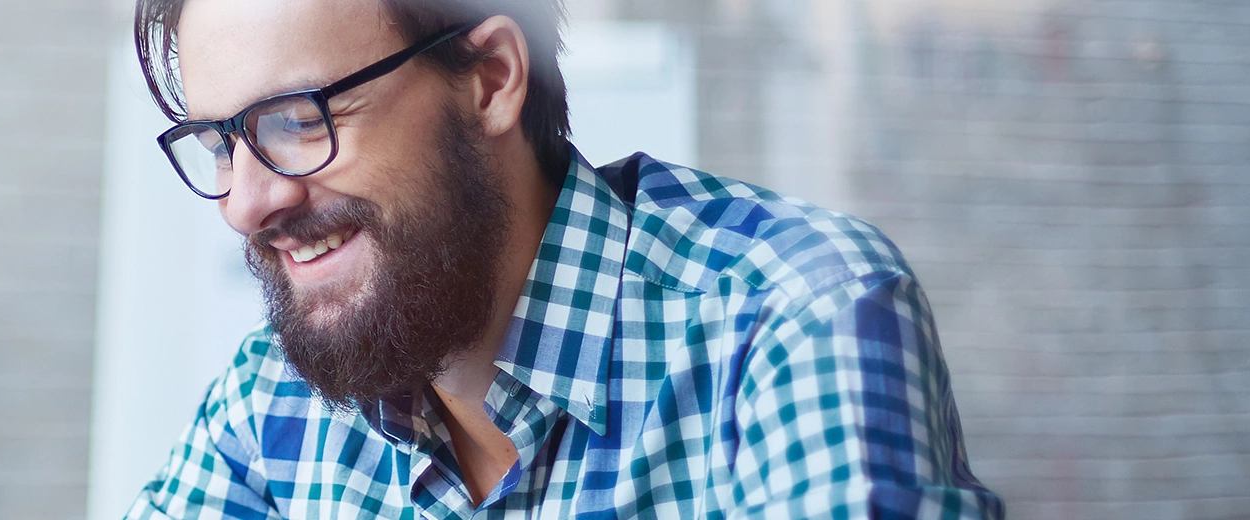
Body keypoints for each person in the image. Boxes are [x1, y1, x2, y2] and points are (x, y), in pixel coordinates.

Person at [121, 0, 1004, 517]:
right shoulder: (267, 410)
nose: (245, 203)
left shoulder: (793, 323)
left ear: (491, 79)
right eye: (219, 143)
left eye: (300, 119)